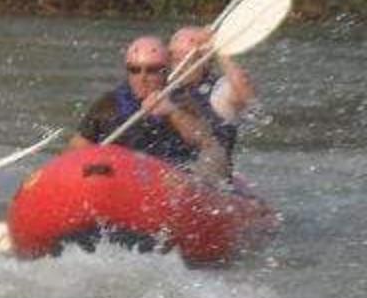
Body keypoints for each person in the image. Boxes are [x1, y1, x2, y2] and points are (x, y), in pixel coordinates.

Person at [67, 36, 229, 181]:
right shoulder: (109, 103)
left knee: (215, 156)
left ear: (165, 71)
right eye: (135, 70)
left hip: (171, 176)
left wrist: (172, 112)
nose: (142, 77)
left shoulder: (182, 100)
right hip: (123, 176)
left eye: (152, 70)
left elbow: (205, 141)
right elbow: (76, 149)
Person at [168, 24, 253, 159]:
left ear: (205, 61)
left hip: (208, 165)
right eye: (175, 60)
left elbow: (245, 96)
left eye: (188, 60)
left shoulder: (218, 91)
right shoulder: (164, 87)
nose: (180, 67)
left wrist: (218, 48)